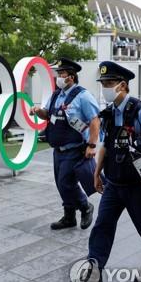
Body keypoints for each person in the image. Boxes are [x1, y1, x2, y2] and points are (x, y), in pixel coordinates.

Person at [86, 61, 141, 282]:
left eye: (109, 83)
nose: (105, 87)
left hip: (139, 186)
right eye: (103, 83)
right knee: (102, 226)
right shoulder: (109, 113)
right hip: (113, 184)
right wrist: (97, 173)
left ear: (123, 85)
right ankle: (94, 271)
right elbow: (104, 144)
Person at [30, 58, 100, 230]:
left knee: (66, 183)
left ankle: (85, 206)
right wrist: (39, 111)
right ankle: (69, 217)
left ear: (72, 77)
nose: (59, 77)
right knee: (61, 184)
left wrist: (92, 145)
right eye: (58, 74)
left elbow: (95, 121)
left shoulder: (83, 96)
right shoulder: (56, 95)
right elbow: (48, 115)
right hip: (57, 149)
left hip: (74, 148)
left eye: (62, 74)